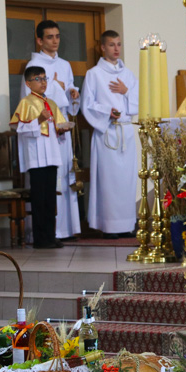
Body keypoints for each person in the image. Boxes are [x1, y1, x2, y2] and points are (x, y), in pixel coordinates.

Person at [21, 20, 82, 241]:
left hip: (61, 129)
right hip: (44, 132)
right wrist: (57, 89)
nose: (55, 41)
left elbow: (67, 94)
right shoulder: (33, 67)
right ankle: (46, 233)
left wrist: (73, 93)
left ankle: (65, 229)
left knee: (63, 178)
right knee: (45, 186)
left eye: (57, 36)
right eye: (49, 37)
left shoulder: (65, 65)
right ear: (39, 40)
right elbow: (28, 103)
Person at [80, 31, 139, 238]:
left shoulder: (128, 75)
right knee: (108, 180)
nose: (116, 49)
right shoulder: (94, 74)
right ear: (102, 48)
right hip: (107, 132)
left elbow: (138, 102)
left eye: (119, 44)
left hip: (126, 132)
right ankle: (109, 226)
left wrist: (126, 92)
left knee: (127, 180)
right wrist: (107, 112)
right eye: (112, 45)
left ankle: (127, 224)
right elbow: (86, 104)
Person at [10, 66, 68, 249]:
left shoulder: (51, 102)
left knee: (50, 198)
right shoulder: (26, 103)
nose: (43, 82)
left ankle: (51, 236)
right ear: (28, 83)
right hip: (36, 157)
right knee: (39, 199)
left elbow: (57, 127)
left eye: (45, 78)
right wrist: (39, 121)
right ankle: (40, 239)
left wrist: (63, 129)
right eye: (38, 79)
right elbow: (19, 128)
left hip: (51, 155)